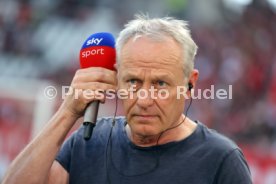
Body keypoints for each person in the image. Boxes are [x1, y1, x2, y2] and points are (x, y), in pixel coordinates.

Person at [2, 15, 252, 184]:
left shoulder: (221, 160)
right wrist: (67, 112)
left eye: (160, 84)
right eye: (133, 81)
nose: (144, 99)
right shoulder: (87, 143)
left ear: (189, 84)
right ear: (117, 80)